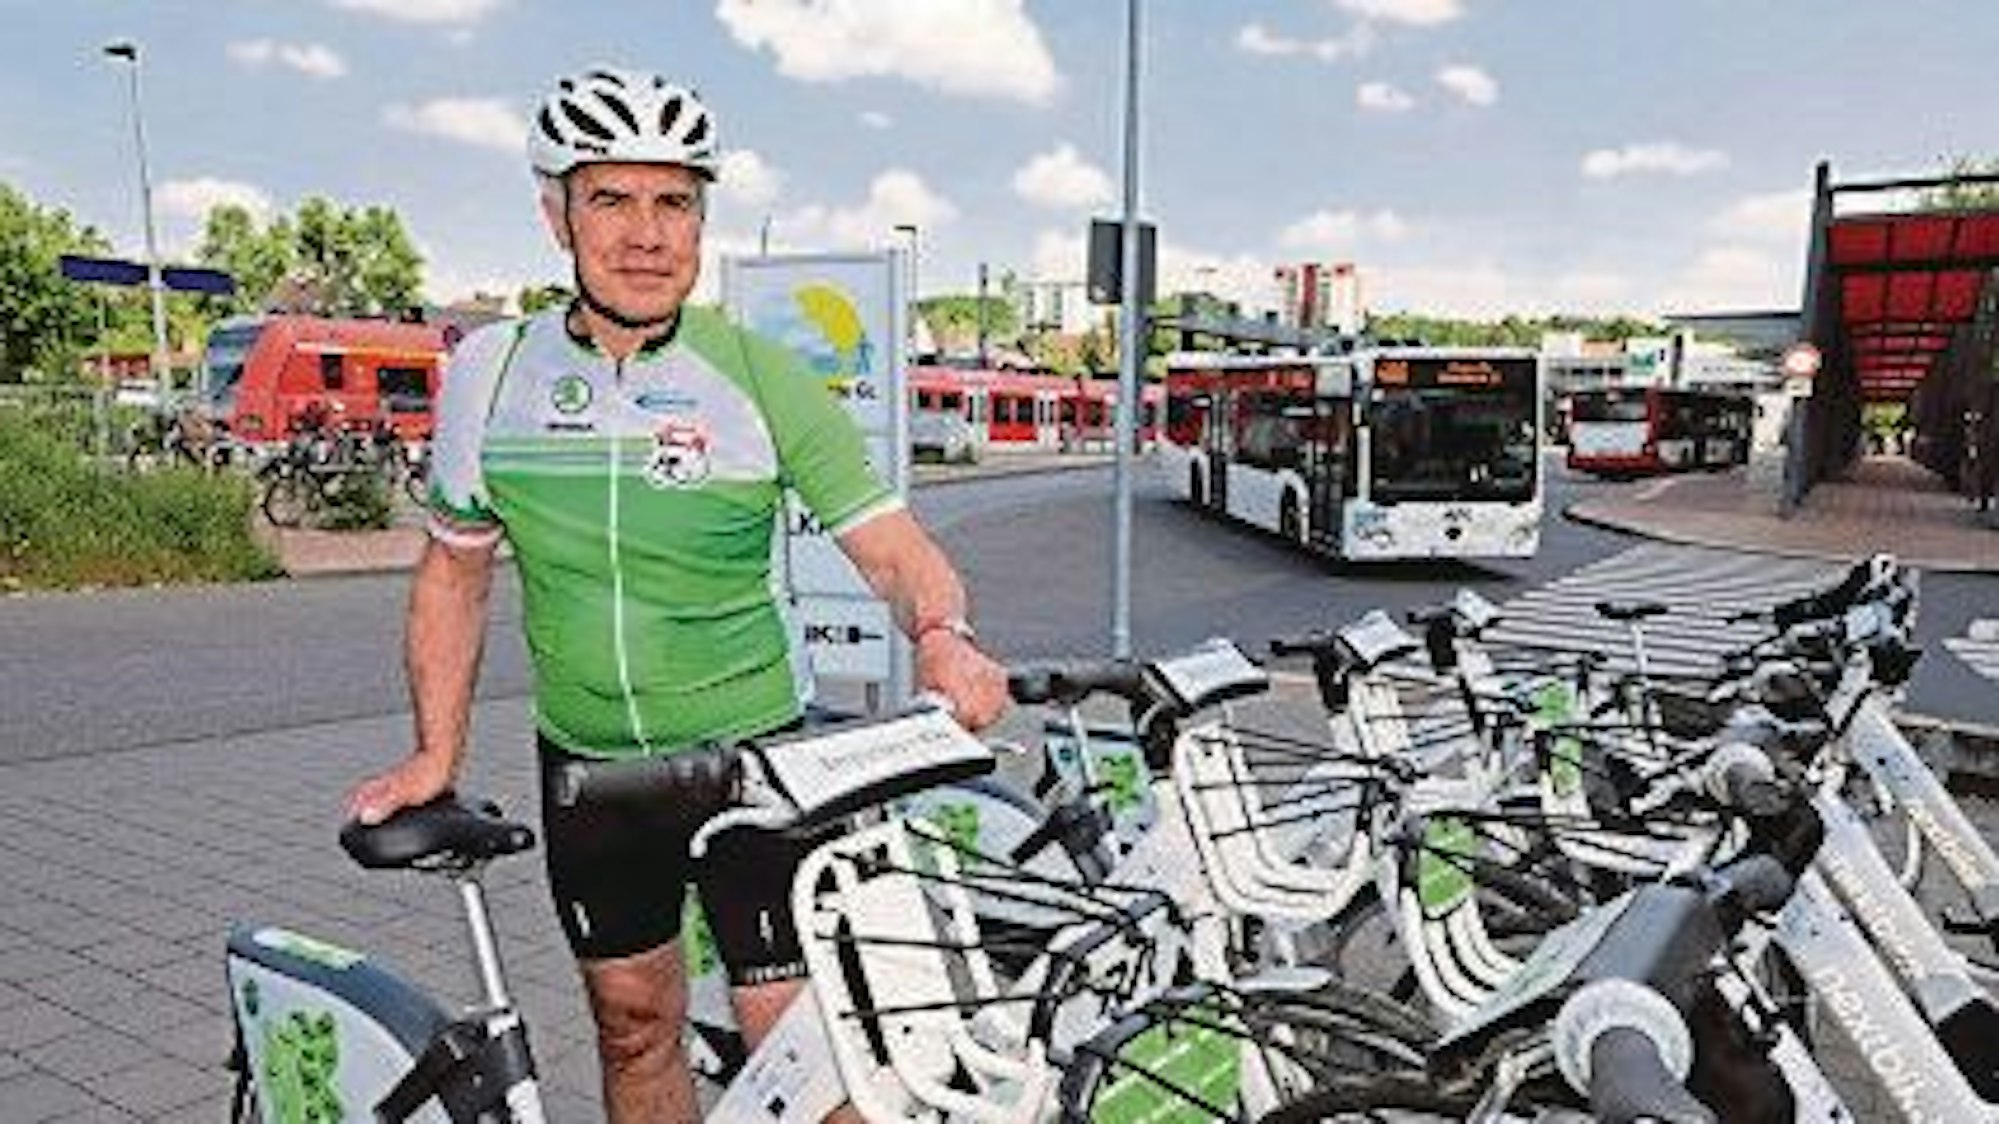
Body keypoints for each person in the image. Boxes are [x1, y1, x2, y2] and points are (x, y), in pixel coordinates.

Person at [345, 66, 1009, 1121]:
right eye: (612, 198)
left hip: (755, 760)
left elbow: (891, 546)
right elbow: (454, 571)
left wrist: (944, 633)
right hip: (591, 768)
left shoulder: (758, 373)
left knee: (805, 1054)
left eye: (675, 201)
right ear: (555, 212)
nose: (647, 233)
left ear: (702, 215)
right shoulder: (491, 372)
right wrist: (437, 752)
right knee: (632, 1023)